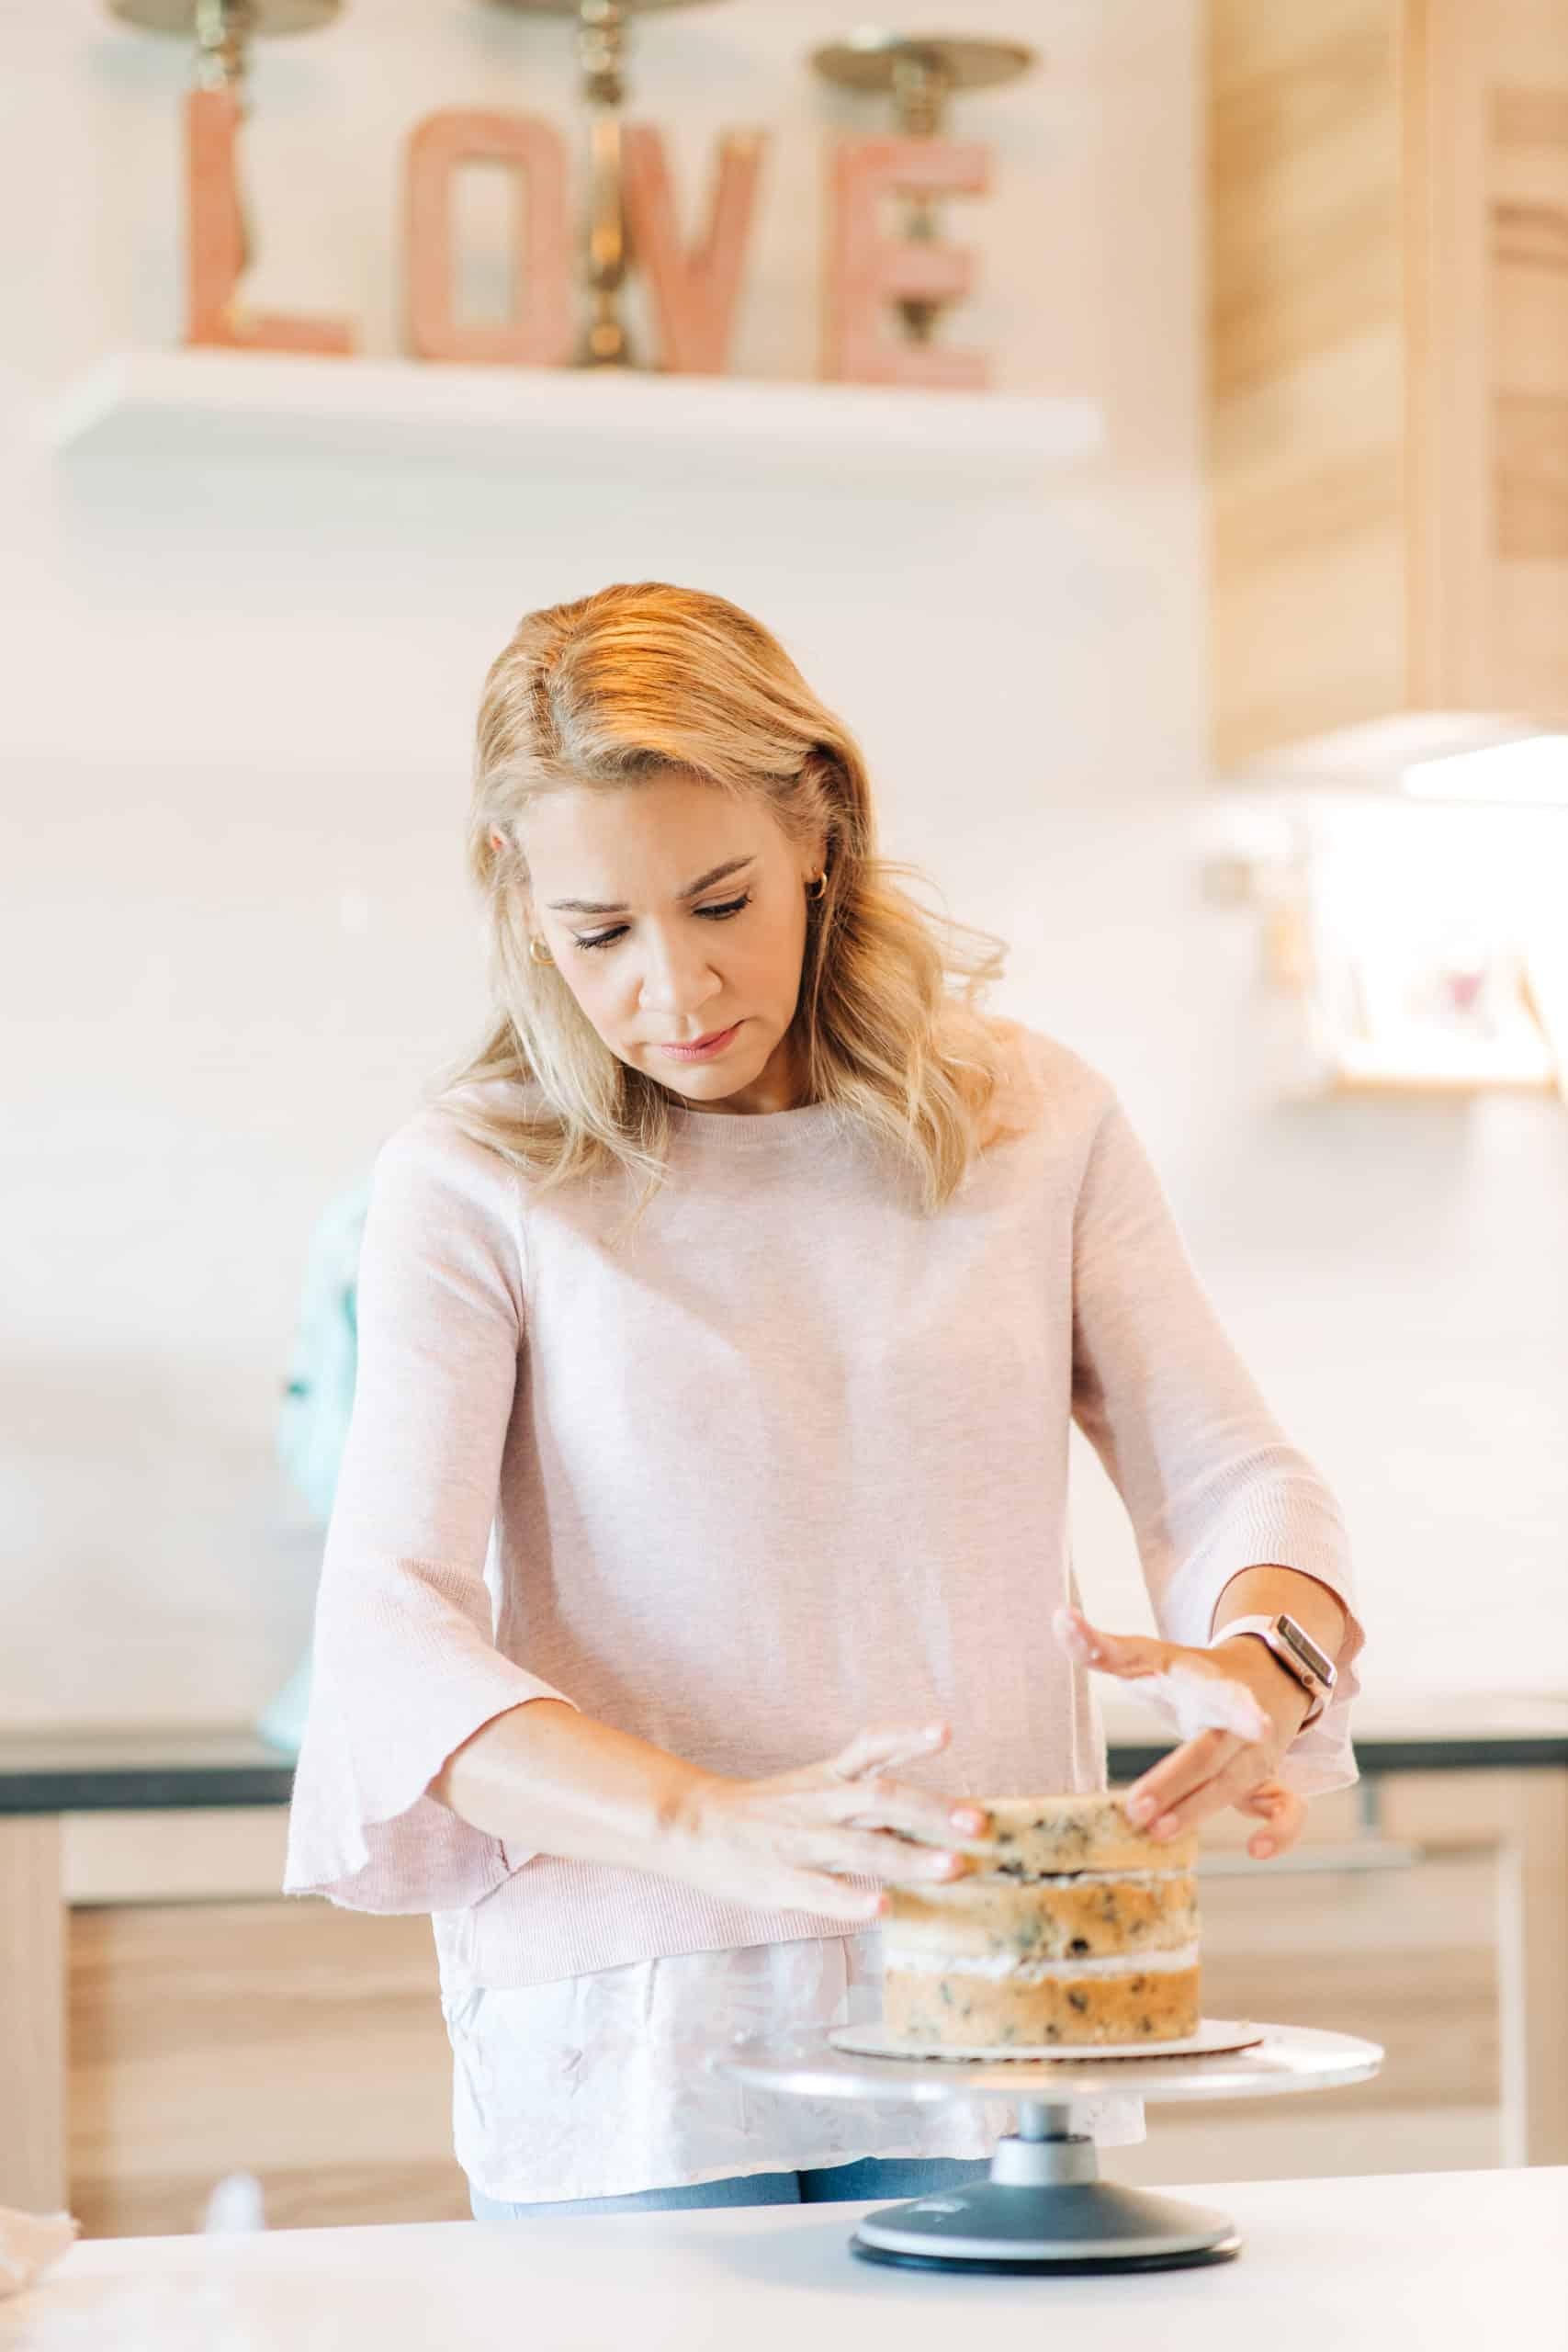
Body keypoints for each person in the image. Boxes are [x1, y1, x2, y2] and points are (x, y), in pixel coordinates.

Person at [282, 581, 1365, 2219]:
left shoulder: (1031, 1123)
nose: (675, 988)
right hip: (630, 2020)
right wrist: (705, 1825)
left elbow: (1232, 1481)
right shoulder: (475, 1179)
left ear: (819, 828)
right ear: (521, 900)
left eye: (720, 901)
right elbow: (388, 1643)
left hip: (986, 1990)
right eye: (602, 934)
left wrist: (1262, 1668)